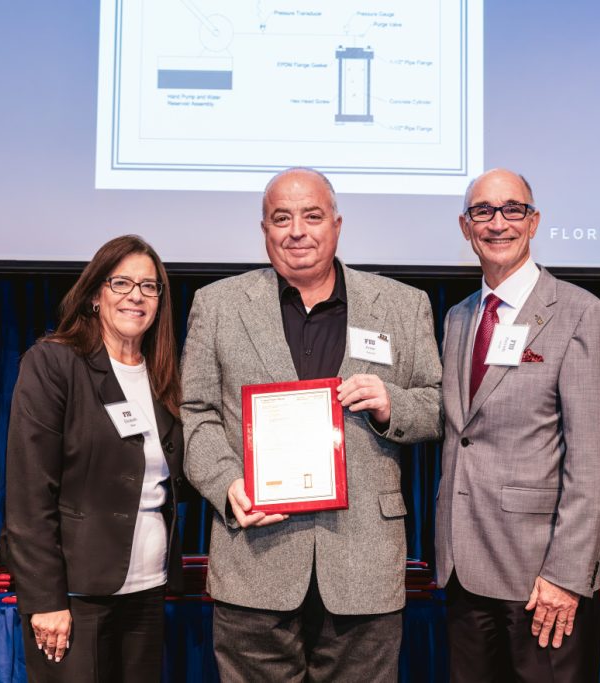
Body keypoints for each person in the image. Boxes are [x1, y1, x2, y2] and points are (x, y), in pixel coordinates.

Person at [180, 167, 442, 682]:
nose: (297, 230)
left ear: (337, 225)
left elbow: (436, 406)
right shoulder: (217, 305)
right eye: (282, 218)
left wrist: (392, 405)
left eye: (312, 216)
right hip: (256, 558)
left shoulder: (403, 305)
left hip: (363, 559)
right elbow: (196, 412)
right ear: (264, 230)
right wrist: (228, 483)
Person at [435, 169, 600, 682]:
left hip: (541, 581)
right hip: (464, 575)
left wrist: (566, 575)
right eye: (483, 212)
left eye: (512, 210)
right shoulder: (458, 318)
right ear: (465, 226)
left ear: (533, 222)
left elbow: (594, 462)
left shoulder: (581, 314)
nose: (498, 223)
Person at [0, 235, 193, 682]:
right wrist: (46, 599)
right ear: (93, 295)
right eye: (121, 282)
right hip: (74, 595)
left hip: (148, 589)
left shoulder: (164, 376)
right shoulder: (55, 363)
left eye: (149, 286)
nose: (135, 296)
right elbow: (29, 492)